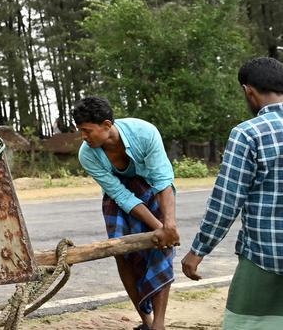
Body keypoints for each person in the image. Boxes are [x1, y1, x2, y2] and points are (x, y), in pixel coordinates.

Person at [182, 57, 283, 328]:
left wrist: (197, 251)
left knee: (248, 324)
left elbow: (226, 201)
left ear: (248, 91)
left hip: (265, 256)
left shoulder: (248, 134)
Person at [73, 96, 178, 330]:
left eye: (87, 130)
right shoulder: (87, 154)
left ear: (107, 125)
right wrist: (156, 226)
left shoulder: (144, 133)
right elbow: (120, 195)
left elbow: (162, 181)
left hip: (151, 188)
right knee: (122, 252)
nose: (83, 137)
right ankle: (146, 322)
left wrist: (168, 226)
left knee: (162, 247)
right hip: (119, 198)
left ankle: (159, 325)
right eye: (80, 131)